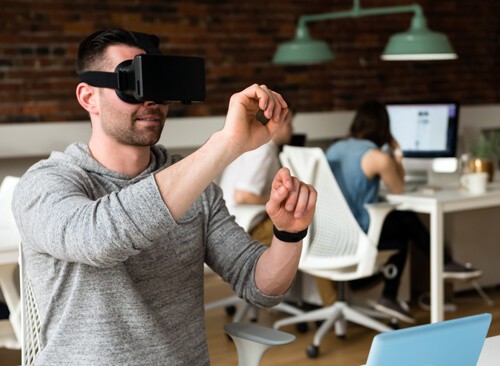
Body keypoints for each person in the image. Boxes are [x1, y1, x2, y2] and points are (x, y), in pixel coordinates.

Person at [11, 28, 317, 366]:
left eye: (158, 84)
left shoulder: (196, 189)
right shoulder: (45, 184)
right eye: (132, 83)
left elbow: (259, 284)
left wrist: (289, 234)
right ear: (87, 97)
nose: (151, 99)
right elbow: (99, 239)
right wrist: (224, 145)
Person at [325, 100, 481, 323]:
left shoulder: (334, 149)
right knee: (403, 217)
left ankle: (391, 292)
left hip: (334, 236)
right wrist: (396, 153)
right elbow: (398, 189)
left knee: (400, 225)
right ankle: (440, 264)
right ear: (384, 128)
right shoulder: (378, 157)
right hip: (360, 236)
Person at [220, 106, 338, 306]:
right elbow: (243, 195)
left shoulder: (250, 147)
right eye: (289, 124)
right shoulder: (263, 153)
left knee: (301, 223)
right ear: (276, 124)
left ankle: (312, 299)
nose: (292, 130)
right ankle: (330, 302)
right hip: (244, 226)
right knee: (312, 228)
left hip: (231, 222)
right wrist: (277, 200)